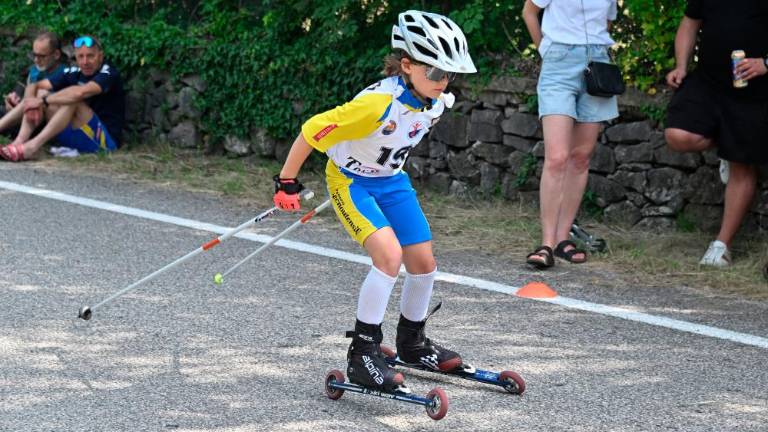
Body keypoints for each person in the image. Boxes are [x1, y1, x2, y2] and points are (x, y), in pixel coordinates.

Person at [272, 10, 476, 391]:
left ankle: (412, 343)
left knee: (423, 260)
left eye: (449, 74)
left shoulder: (435, 101)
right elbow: (312, 130)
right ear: (407, 65)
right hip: (351, 181)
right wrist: (286, 182)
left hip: (391, 181)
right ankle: (363, 353)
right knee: (389, 255)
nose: (443, 81)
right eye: (435, 71)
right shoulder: (376, 104)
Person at [664, 1, 768, 267]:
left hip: (754, 91)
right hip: (707, 82)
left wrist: (765, 63)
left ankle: (722, 246)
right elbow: (689, 23)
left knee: (741, 164)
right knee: (677, 135)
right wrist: (681, 65)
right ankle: (726, 146)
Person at [522, 0, 619, 269]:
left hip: (597, 61)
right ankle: (546, 243)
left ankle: (563, 239)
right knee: (557, 157)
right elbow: (529, 11)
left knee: (581, 157)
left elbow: (606, 22)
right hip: (558, 61)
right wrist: (545, 50)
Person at [0, 35, 125, 161]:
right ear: (76, 57)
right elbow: (34, 85)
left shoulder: (108, 72)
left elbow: (79, 93)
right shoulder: (74, 71)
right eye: (81, 56)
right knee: (40, 93)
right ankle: (18, 142)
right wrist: (31, 103)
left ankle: (31, 148)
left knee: (72, 100)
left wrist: (43, 101)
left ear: (100, 56)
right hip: (77, 135)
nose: (85, 62)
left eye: (90, 56)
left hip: (104, 143)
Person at [0, 31, 66, 137]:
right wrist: (13, 100)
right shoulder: (34, 70)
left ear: (56, 54)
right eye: (34, 55)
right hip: (25, 116)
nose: (36, 60)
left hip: (43, 124)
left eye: (42, 56)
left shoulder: (65, 74)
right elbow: (23, 95)